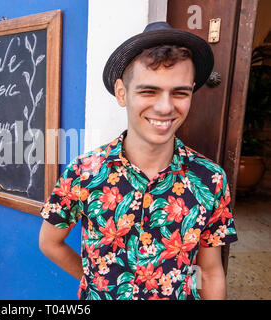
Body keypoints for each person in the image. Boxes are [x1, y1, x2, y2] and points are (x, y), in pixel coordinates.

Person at [39, 22, 238, 300]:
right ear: (122, 93)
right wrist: (96, 281)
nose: (165, 107)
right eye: (149, 91)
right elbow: (50, 242)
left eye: (179, 93)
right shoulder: (84, 172)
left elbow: (211, 270)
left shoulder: (210, 179)